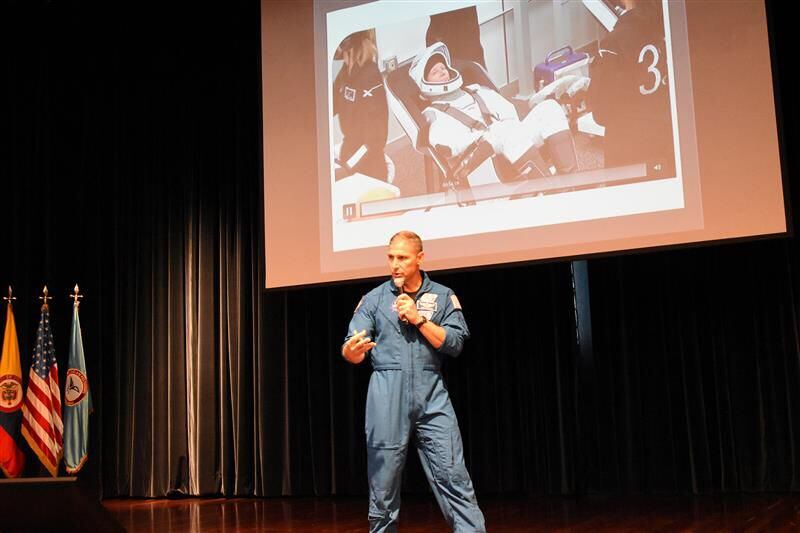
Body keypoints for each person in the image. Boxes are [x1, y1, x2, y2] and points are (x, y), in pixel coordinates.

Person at [342, 231, 486, 533]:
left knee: (453, 475)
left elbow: (455, 343)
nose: (395, 264)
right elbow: (352, 346)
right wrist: (352, 351)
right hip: (386, 394)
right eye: (391, 257)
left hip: (431, 392)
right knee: (383, 485)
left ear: (419, 258)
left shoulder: (444, 295)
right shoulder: (374, 299)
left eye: (403, 258)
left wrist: (419, 318)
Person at [410, 42, 582, 183]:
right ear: (425, 84)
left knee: (549, 108)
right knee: (502, 132)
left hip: (509, 143)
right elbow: (447, 147)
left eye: (443, 68)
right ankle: (552, 193)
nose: (442, 71)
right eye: (434, 72)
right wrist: (488, 137)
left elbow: (511, 114)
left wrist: (503, 132)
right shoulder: (433, 113)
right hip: (477, 163)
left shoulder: (476, 90)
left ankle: (572, 184)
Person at [586, 0, 675, 172]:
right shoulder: (671, 26)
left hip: (629, 152)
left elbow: (601, 113)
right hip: (668, 139)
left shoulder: (612, 44)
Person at [332, 29, 390, 182]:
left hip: (368, 166)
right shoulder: (346, 72)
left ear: (349, 48)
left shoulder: (369, 76)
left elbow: (374, 141)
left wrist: (348, 166)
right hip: (349, 152)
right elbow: (331, 104)